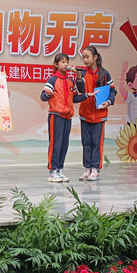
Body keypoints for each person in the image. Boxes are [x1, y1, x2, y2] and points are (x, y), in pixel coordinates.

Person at [41, 53, 92, 183]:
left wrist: (87, 94)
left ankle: (60, 169)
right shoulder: (53, 80)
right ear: (56, 65)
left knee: (64, 145)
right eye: (63, 62)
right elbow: (43, 96)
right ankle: (52, 171)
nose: (66, 64)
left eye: (67, 62)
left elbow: (76, 96)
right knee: (56, 143)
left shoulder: (70, 80)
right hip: (56, 116)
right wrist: (48, 94)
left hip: (67, 117)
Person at [78, 46, 117, 181]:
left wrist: (108, 102)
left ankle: (96, 169)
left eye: (87, 57)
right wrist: (78, 78)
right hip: (85, 113)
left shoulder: (105, 74)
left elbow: (112, 91)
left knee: (97, 143)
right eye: (83, 57)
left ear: (95, 57)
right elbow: (80, 90)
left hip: (99, 116)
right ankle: (87, 169)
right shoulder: (83, 73)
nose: (85, 60)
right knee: (86, 143)